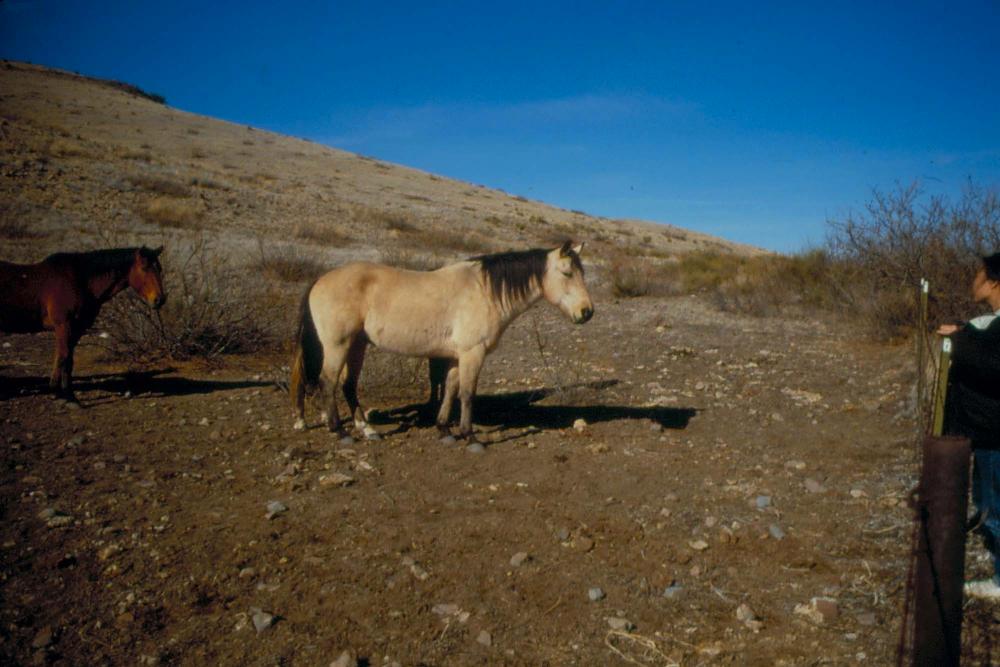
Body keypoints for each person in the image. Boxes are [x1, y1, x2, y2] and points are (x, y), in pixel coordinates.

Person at [937, 251, 1000, 600]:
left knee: (995, 507)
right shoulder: (992, 323)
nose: (973, 281)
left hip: (995, 437)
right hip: (988, 435)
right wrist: (964, 334)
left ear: (993, 282)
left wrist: (959, 343)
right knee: (988, 502)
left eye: (978, 274)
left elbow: (994, 362)